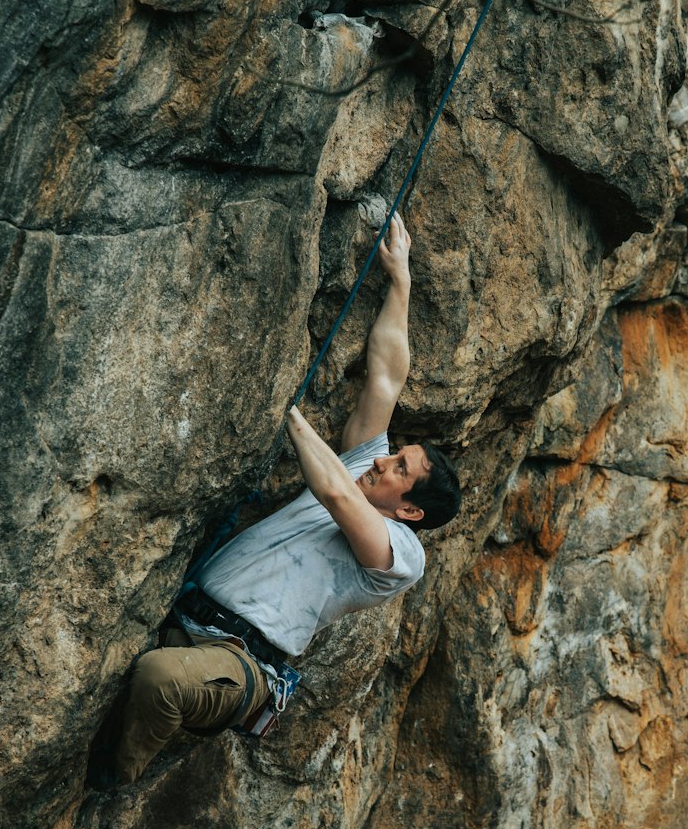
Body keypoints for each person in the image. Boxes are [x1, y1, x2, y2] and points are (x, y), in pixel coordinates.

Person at [110, 213, 461, 784]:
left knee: (161, 679)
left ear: (411, 510)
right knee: (154, 669)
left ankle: (119, 779)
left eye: (398, 467)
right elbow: (385, 379)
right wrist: (400, 281)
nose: (380, 459)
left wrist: (291, 416)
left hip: (240, 663)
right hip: (186, 614)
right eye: (394, 452)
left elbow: (337, 499)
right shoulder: (357, 469)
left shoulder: (401, 555)